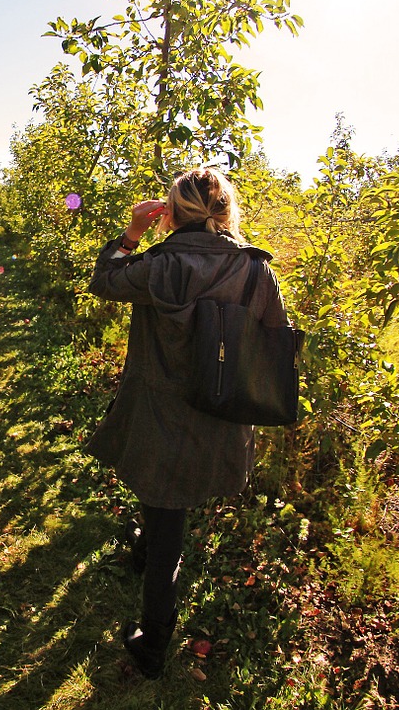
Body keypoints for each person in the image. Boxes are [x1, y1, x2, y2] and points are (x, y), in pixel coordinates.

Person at [84, 167, 289, 680]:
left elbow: (104, 281)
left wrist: (131, 234)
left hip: (160, 411)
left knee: (167, 517)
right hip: (219, 409)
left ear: (171, 214)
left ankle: (153, 644)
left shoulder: (162, 263)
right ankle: (142, 548)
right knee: (165, 509)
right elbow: (273, 339)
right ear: (223, 211)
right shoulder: (254, 268)